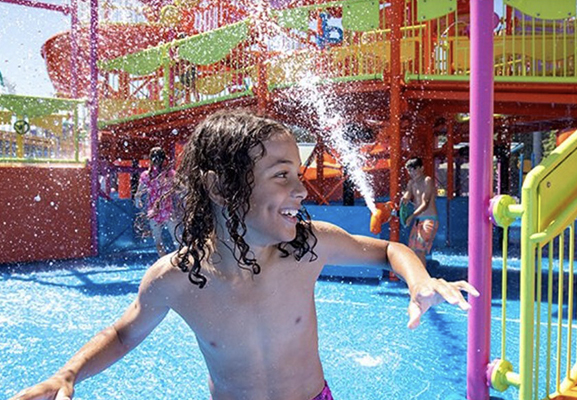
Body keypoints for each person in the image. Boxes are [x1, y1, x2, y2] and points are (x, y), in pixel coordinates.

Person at [11, 110, 478, 400]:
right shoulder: (177, 277)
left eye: (297, 173)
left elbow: (391, 249)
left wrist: (420, 282)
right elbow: (122, 333)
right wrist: (67, 374)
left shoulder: (307, 247)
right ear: (219, 186)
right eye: (281, 175)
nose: (300, 189)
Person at [134, 146, 178, 256]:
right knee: (177, 238)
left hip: (154, 211)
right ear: (164, 160)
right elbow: (180, 188)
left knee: (158, 241)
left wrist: (138, 200)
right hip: (167, 209)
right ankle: (182, 262)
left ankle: (162, 262)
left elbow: (139, 192)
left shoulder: (147, 175)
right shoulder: (169, 174)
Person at [400, 157, 439, 267]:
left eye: (414, 169)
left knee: (420, 249)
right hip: (418, 221)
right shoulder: (411, 183)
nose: (412, 173)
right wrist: (405, 199)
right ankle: (418, 276)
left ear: (421, 168)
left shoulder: (427, 180)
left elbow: (425, 204)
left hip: (429, 219)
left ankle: (422, 279)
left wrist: (411, 216)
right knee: (412, 250)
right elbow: (407, 195)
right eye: (409, 170)